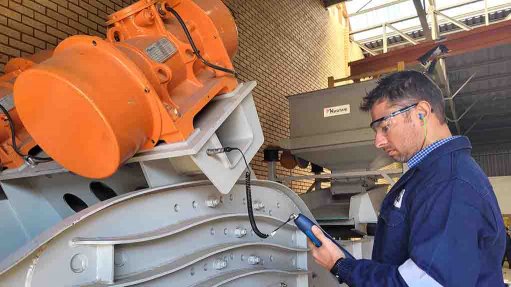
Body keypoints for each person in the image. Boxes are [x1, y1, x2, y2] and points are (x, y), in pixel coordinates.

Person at [308, 71, 506, 286]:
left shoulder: (450, 182)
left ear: (421, 113)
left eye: (385, 127)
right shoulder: (427, 175)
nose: (378, 142)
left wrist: (340, 265)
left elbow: (422, 283)